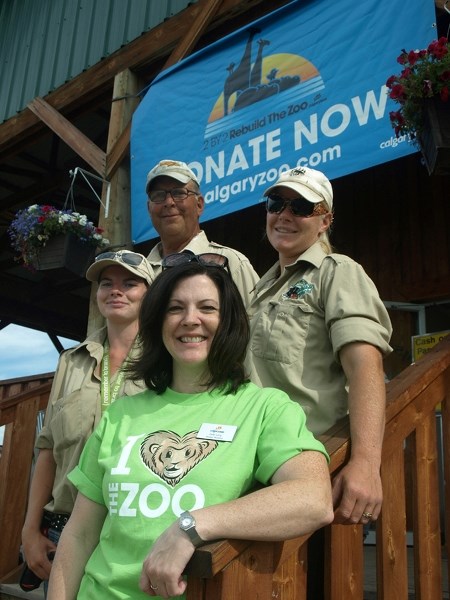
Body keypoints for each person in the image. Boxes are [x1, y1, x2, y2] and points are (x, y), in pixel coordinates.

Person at [47, 257, 334, 600]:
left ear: (228, 322)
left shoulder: (264, 407)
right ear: (158, 323)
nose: (190, 320)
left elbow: (314, 499)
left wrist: (191, 526)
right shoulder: (121, 414)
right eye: (175, 308)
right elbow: (79, 533)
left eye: (207, 308)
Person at [245, 166, 393, 598]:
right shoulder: (260, 288)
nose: (285, 215)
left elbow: (366, 367)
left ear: (325, 219)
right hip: (255, 468)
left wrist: (365, 462)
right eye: (276, 204)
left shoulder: (337, 271)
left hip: (311, 468)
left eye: (302, 206)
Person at [21, 250, 154, 594]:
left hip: (132, 531)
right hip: (62, 529)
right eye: (106, 283)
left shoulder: (164, 361)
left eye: (130, 283)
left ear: (150, 293)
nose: (116, 290)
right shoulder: (71, 360)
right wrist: (30, 530)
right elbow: (47, 447)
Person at [145, 158, 259, 306]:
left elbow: (257, 325)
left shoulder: (232, 263)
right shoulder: (138, 272)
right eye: (159, 195)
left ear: (199, 205)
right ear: (149, 209)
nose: (169, 202)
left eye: (179, 193)